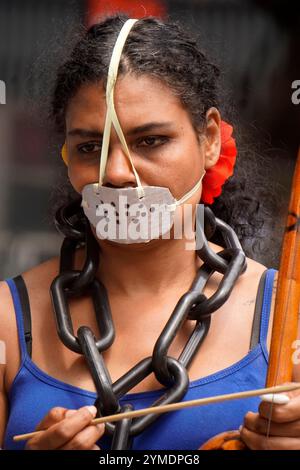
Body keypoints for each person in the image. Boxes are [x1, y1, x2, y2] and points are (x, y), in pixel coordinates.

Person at [0, 13, 299, 451]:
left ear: (210, 139)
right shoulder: (6, 322)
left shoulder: (288, 321)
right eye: (90, 147)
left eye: (150, 140)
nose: (117, 173)